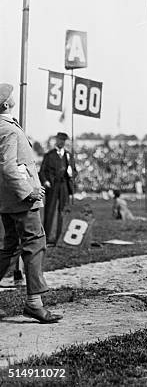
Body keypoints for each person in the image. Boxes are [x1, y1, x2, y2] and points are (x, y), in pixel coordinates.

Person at [0, 83, 62, 323]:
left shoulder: (6, 127)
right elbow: (8, 166)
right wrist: (28, 192)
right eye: (10, 96)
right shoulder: (9, 130)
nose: (13, 97)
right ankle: (34, 302)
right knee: (35, 243)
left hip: (6, 199)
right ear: (6, 104)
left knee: (11, 247)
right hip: (20, 199)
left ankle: (34, 301)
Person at [39, 132, 76, 244]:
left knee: (63, 212)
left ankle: (60, 237)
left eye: (64, 140)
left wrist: (71, 173)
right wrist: (45, 181)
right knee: (49, 211)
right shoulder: (49, 155)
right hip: (52, 186)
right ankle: (46, 237)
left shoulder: (69, 156)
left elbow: (74, 172)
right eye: (60, 139)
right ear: (56, 140)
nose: (62, 142)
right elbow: (42, 171)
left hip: (64, 185)